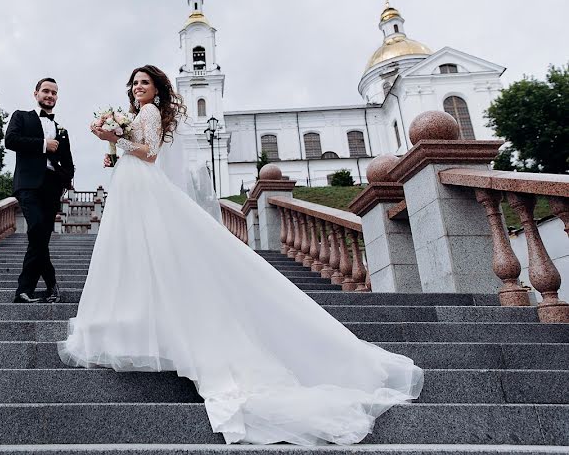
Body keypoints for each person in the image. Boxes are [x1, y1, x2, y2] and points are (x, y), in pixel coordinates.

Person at [58, 65, 423, 445]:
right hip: (133, 189)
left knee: (146, 257)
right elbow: (137, 152)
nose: (137, 88)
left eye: (144, 83)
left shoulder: (149, 113)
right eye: (134, 83)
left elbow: (148, 154)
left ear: (157, 90)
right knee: (142, 256)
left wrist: (112, 137)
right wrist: (113, 145)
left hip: (142, 186)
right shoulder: (139, 115)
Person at [4, 77, 75, 303]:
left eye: (54, 93)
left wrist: (62, 179)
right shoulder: (21, 116)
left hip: (51, 188)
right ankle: (43, 285)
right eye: (46, 91)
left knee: (41, 238)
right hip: (28, 184)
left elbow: (69, 164)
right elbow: (11, 140)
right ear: (36, 94)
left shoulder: (61, 129)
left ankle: (32, 290)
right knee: (36, 229)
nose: (50, 95)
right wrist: (44, 144)